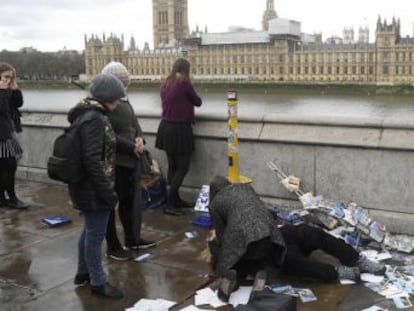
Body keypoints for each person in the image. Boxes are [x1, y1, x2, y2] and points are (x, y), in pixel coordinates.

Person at [207, 175, 386, 302]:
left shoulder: (216, 205)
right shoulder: (245, 188)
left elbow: (225, 242)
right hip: (272, 240)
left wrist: (217, 241)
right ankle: (342, 269)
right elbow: (260, 212)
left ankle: (357, 260)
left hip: (274, 238)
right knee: (295, 261)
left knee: (311, 234)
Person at [70, 73, 138, 299]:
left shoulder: (92, 114)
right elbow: (91, 160)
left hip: (88, 187)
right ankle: (98, 282)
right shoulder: (94, 119)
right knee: (95, 236)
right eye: (117, 97)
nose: (119, 102)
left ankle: (83, 273)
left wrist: (131, 147)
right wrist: (107, 193)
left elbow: (111, 140)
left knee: (89, 230)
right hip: (93, 188)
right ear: (108, 96)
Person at [101, 61, 156, 261]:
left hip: (130, 160)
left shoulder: (123, 98)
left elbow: (134, 123)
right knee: (110, 205)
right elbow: (107, 134)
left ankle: (132, 238)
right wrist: (130, 145)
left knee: (128, 203)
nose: (124, 88)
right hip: (115, 161)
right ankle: (113, 245)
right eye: (122, 83)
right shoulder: (103, 104)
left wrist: (140, 138)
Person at [155, 58, 202, 216]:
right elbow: (198, 102)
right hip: (179, 129)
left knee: (173, 166)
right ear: (186, 70)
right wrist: (192, 85)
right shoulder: (184, 83)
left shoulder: (165, 83)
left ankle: (175, 200)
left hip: (166, 127)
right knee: (183, 167)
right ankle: (170, 204)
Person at [0, 62, 29, 209]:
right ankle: (12, 198)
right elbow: (3, 110)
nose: (9, 80)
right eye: (6, 77)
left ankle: (3, 198)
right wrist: (3, 92)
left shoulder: (7, 88)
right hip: (2, 135)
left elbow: (18, 103)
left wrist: (15, 89)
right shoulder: (2, 91)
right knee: (9, 165)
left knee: (6, 165)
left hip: (7, 132)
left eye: (11, 77)